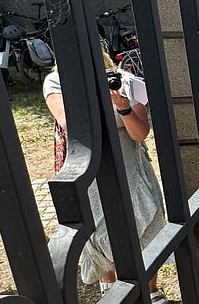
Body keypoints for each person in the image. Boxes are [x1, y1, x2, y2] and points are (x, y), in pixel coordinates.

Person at [43, 53, 167, 301]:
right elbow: (69, 123)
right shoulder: (57, 82)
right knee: (99, 228)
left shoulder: (128, 81)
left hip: (131, 167)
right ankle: (110, 287)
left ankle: (150, 289)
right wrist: (94, 93)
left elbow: (140, 133)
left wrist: (122, 106)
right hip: (90, 169)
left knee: (148, 222)